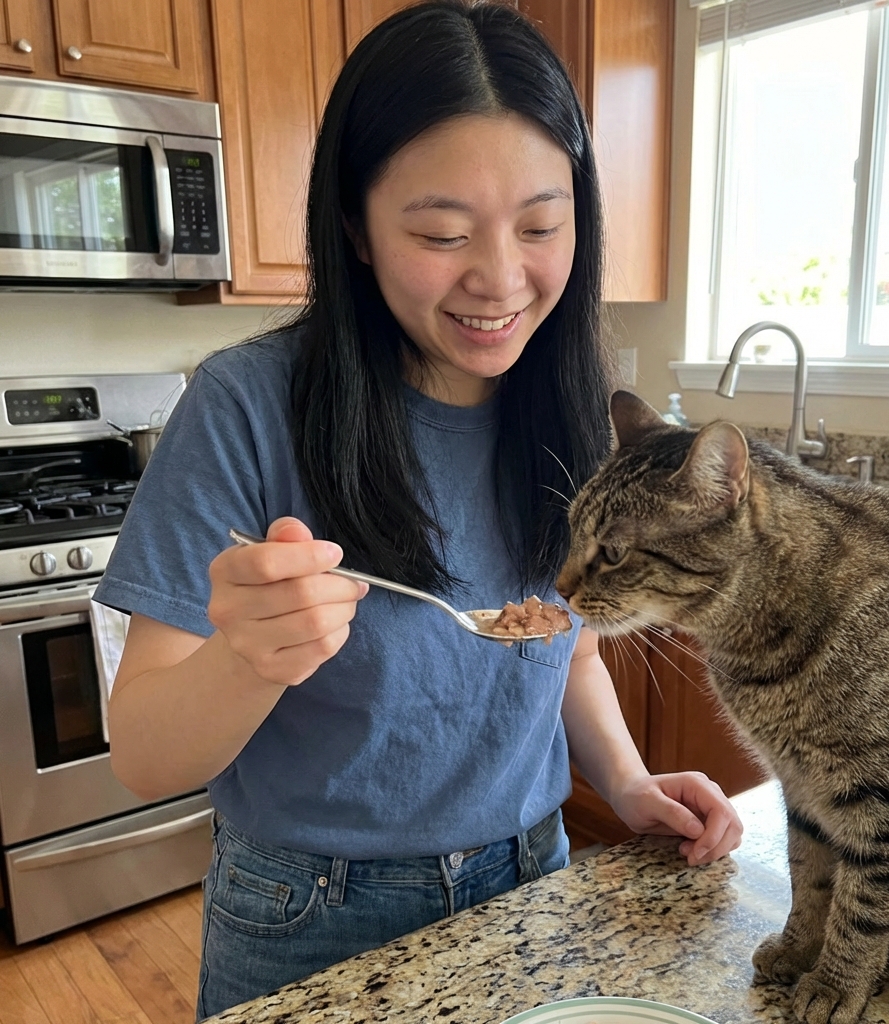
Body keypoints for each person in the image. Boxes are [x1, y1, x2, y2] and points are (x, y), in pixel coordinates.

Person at [95, 2, 743, 1018]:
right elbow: (141, 751)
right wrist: (249, 658)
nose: (500, 279)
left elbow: (559, 637)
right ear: (354, 223)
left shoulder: (571, 397)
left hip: (532, 879)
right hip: (309, 912)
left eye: (540, 224)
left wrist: (623, 779)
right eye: (442, 233)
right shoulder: (246, 406)